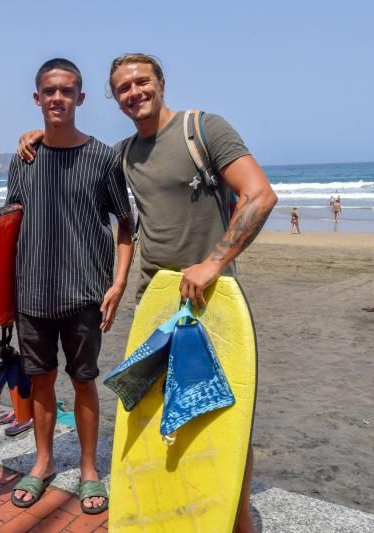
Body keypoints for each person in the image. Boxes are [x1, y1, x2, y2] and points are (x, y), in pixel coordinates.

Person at [18, 53, 277, 532]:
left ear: (161, 83)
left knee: (223, 415)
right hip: (155, 299)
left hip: (212, 299)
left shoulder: (204, 129)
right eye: (123, 88)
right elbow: (78, 156)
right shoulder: (120, 154)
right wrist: (38, 135)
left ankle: (237, 522)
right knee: (158, 412)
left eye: (141, 82)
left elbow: (260, 195)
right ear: (115, 100)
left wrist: (214, 263)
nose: (134, 92)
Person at [8, 58, 134, 515]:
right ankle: (42, 463)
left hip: (85, 294)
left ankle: (88, 469)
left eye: (67, 90)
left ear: (80, 98)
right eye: (49, 90)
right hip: (32, 293)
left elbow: (125, 221)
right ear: (37, 98)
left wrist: (118, 283)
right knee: (40, 382)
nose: (57, 97)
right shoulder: (23, 157)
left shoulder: (103, 158)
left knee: (84, 381)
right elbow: (8, 226)